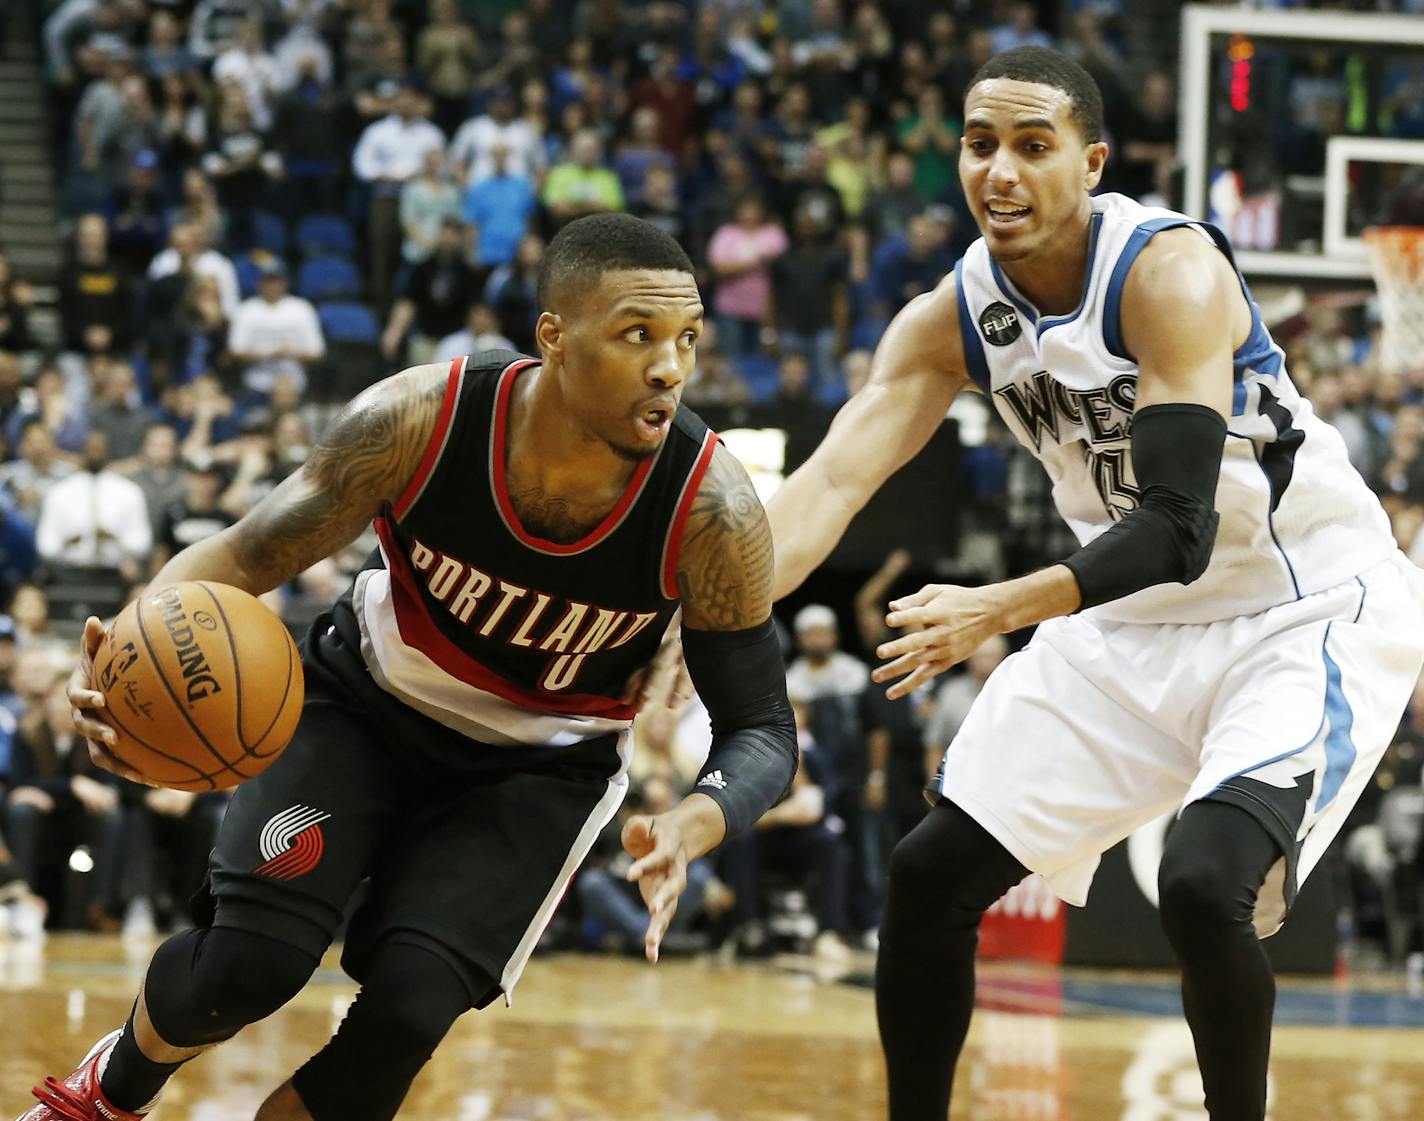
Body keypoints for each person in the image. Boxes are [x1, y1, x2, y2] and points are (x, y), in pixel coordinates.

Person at [764, 47, 1424, 1121]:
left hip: (1296, 607)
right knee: (928, 875)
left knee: (1202, 885)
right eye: (980, 146)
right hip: (1123, 623)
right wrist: (705, 599)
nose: (1000, 171)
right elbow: (827, 484)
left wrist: (993, 606)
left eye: (1033, 146)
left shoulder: (1167, 272)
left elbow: (1174, 528)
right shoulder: (949, 318)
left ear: (1092, 162)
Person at [19, 213, 797, 1121]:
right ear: (553, 336)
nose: (672, 367)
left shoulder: (712, 511)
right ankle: (106, 1094)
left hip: (540, 764)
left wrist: (700, 816)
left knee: (407, 1011)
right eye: (639, 335)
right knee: (246, 966)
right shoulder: (421, 420)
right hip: (365, 701)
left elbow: (763, 730)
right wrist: (122, 652)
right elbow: (240, 556)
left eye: (687, 340)